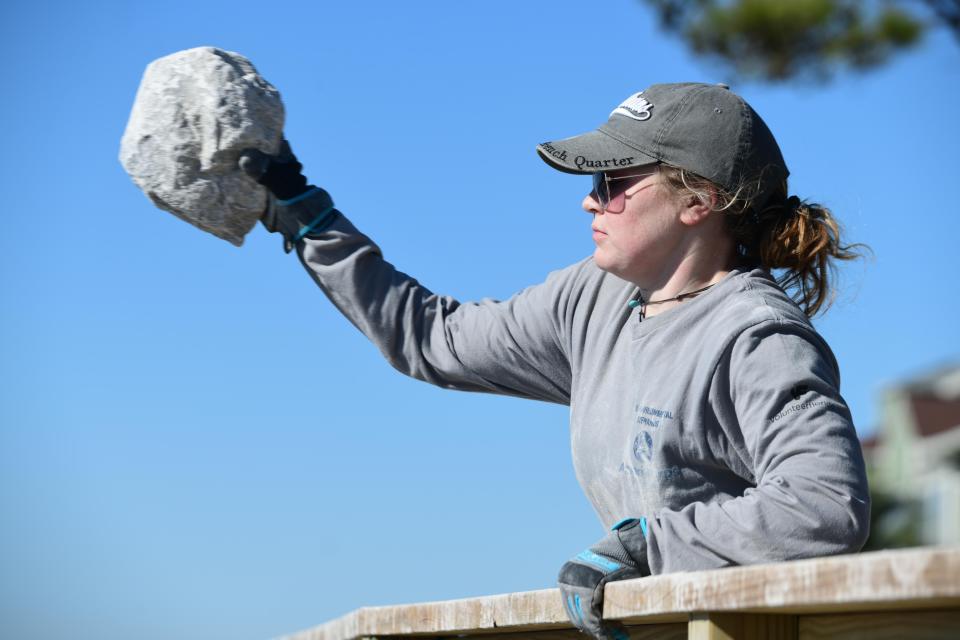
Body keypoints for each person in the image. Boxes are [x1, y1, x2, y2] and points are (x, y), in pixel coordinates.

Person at [239, 82, 871, 640]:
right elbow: (431, 338)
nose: (590, 201)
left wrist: (646, 545)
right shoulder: (593, 298)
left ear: (697, 202)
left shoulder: (758, 335)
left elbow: (826, 505)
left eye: (613, 182)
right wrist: (308, 217)